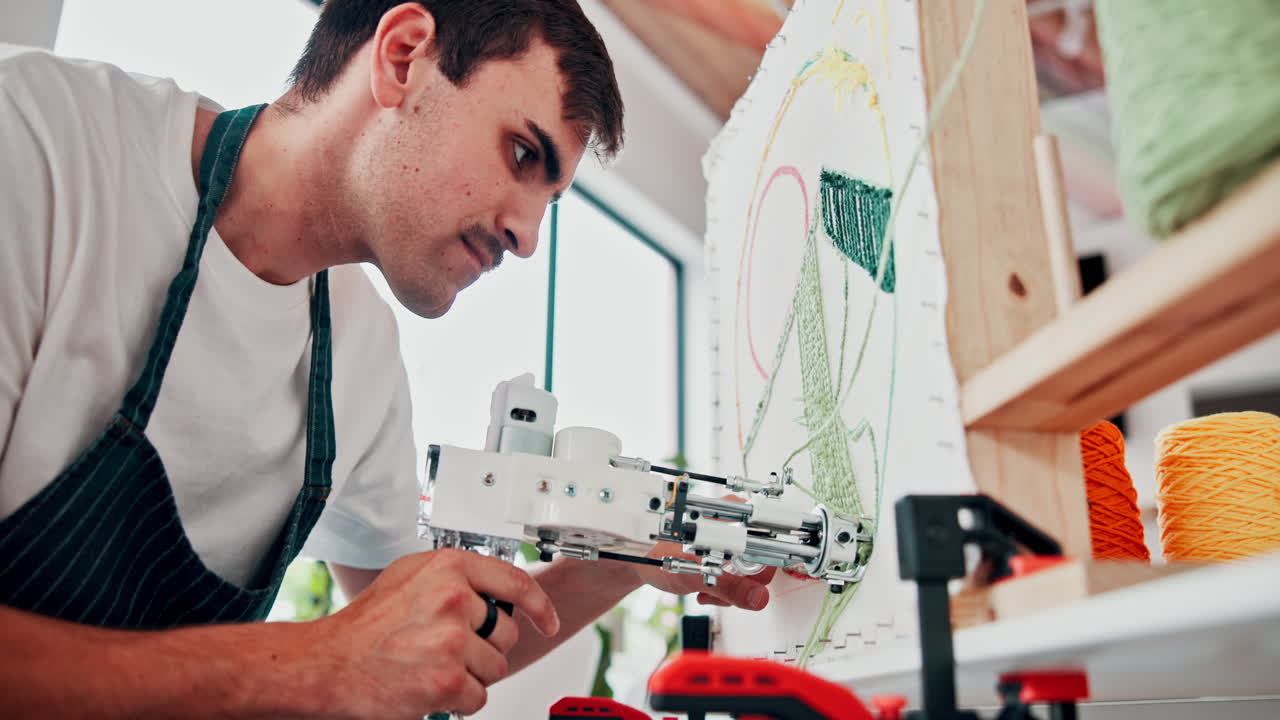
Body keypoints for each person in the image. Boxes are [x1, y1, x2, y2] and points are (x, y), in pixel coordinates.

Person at [0, 1, 774, 717]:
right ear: (403, 57)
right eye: (519, 152)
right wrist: (318, 662)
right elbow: (346, 661)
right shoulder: (40, 142)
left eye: (549, 200)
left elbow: (435, 646)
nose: (528, 238)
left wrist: (625, 561)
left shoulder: (357, 353)